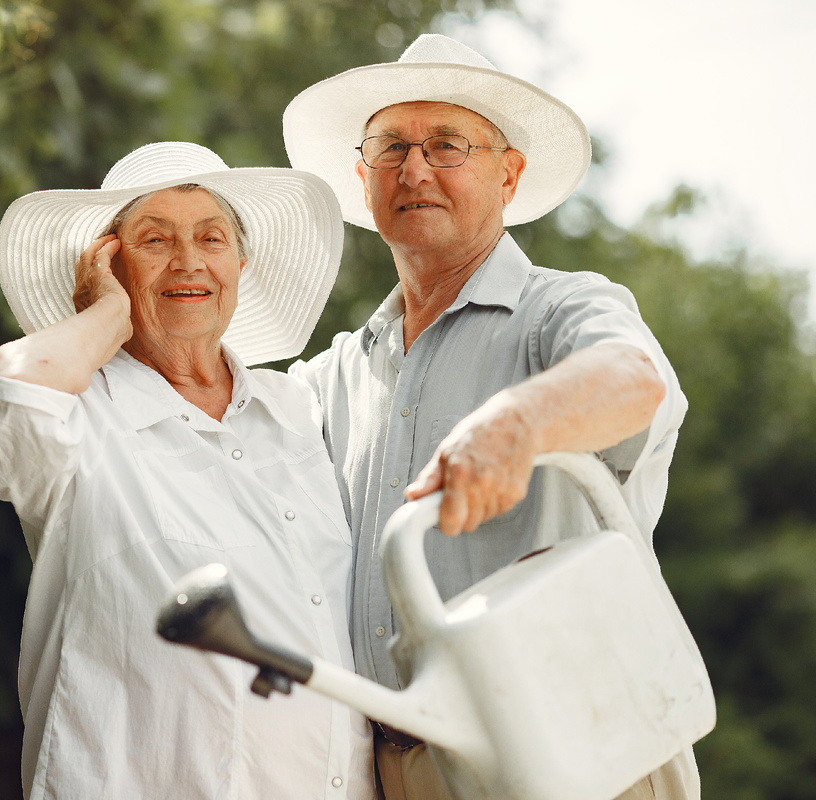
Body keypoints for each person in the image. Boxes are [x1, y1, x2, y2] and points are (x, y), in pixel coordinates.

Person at [282, 34, 697, 800]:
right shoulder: (330, 376)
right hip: (390, 765)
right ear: (362, 176)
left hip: (577, 750)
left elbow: (634, 379)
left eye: (448, 144)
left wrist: (517, 421)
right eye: (391, 146)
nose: (414, 169)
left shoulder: (562, 308)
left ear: (508, 174)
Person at [0, 141, 375, 799]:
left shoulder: (299, 411)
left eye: (212, 237)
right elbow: (4, 411)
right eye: (155, 240)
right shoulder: (80, 413)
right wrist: (108, 314)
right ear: (109, 262)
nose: (190, 261)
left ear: (240, 262)